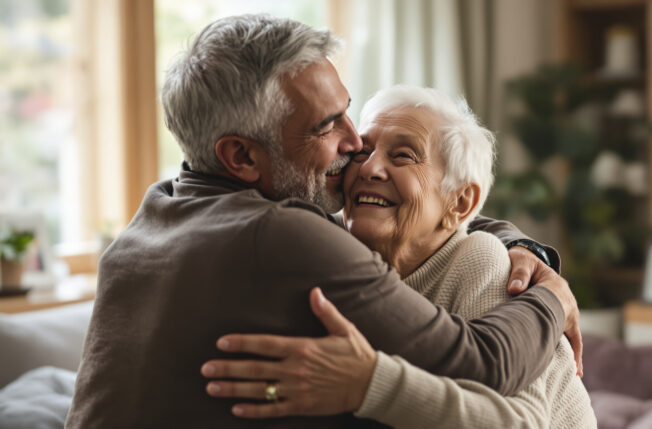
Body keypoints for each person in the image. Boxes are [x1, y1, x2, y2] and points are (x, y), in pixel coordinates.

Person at [65, 15, 581, 428]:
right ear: (241, 157)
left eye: (347, 112)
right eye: (327, 125)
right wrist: (553, 298)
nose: (355, 146)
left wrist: (512, 243)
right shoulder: (284, 235)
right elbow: (485, 361)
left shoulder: (156, 212)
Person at [202, 86, 596, 428]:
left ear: (460, 202)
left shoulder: (481, 261)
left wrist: (369, 385)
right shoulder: (329, 245)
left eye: (404, 155)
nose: (370, 168)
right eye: (364, 151)